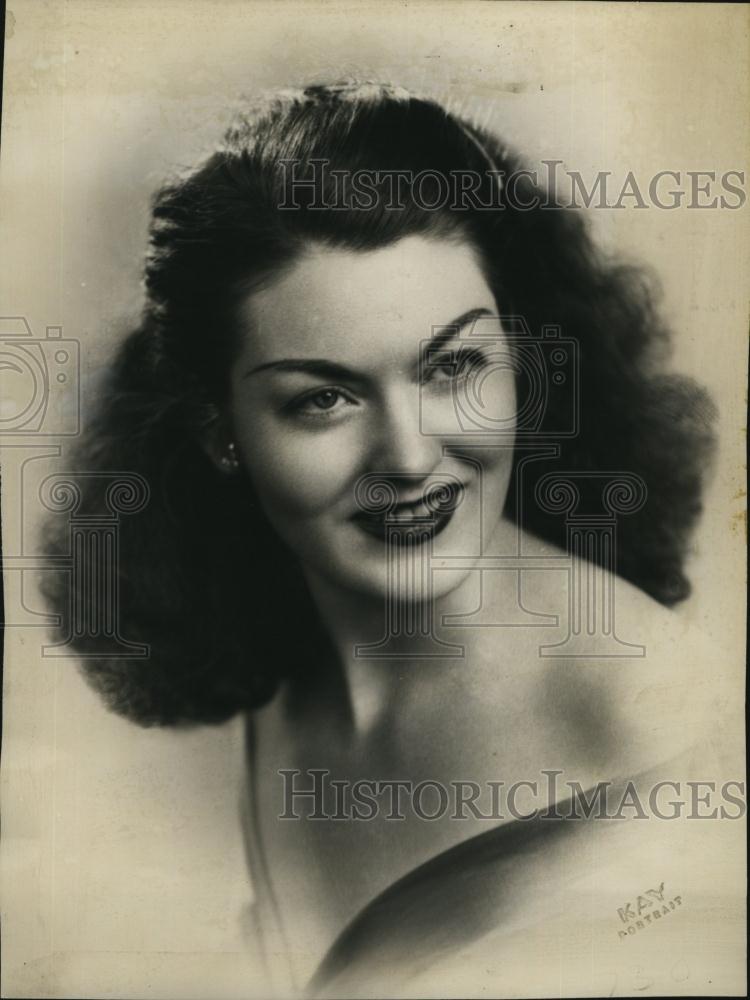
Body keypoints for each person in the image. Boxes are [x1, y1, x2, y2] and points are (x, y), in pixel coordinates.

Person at [43, 81, 731, 997]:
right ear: (221, 430)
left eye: (452, 366)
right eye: (322, 398)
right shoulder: (271, 645)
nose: (409, 459)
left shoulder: (658, 722)